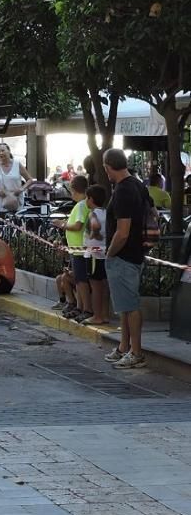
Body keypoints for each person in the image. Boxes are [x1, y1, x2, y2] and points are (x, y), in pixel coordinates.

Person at [103, 148, 149, 369]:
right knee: (123, 304)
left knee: (129, 305)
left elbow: (122, 231)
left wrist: (110, 252)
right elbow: (154, 213)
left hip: (124, 255)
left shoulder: (123, 190)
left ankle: (136, 352)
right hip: (134, 252)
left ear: (108, 166)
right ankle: (124, 346)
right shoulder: (138, 184)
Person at [52, 175, 91, 322]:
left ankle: (86, 308)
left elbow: (78, 225)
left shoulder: (81, 205)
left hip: (80, 249)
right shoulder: (82, 205)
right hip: (77, 249)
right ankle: (80, 307)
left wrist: (62, 224)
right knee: (79, 280)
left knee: (81, 281)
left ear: (73, 190)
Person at [81, 184, 110, 326]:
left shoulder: (93, 213)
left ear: (90, 199)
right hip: (106, 253)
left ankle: (97, 316)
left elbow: (95, 226)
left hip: (94, 255)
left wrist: (94, 233)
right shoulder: (107, 213)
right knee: (104, 286)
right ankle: (104, 314)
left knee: (96, 286)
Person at [0, 142, 34, 212]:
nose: (0, 153)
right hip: (1, 203)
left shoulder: (17, 164)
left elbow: (30, 180)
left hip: (17, 201)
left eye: (3, 150)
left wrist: (21, 189)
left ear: (9, 151)